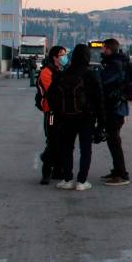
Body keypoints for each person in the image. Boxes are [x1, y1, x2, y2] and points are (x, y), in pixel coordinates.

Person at [52, 45, 104, 191]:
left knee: (67, 148)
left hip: (66, 118)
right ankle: (81, 181)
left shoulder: (64, 73)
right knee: (85, 150)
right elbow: (99, 100)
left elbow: (52, 96)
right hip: (86, 118)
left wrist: (58, 114)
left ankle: (67, 179)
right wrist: (101, 122)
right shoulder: (91, 74)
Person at [100, 38, 132, 186]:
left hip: (115, 107)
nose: (102, 51)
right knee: (113, 140)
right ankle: (117, 170)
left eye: (104, 48)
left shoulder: (115, 65)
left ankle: (122, 174)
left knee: (114, 141)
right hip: (118, 106)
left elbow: (106, 82)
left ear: (109, 49)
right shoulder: (120, 62)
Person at [35, 45, 67, 185]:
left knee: (62, 141)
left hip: (63, 112)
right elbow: (52, 92)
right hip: (52, 111)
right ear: (54, 57)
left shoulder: (62, 70)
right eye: (62, 54)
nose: (64, 57)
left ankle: (58, 170)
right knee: (53, 141)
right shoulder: (46, 72)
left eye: (65, 54)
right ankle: (46, 170)